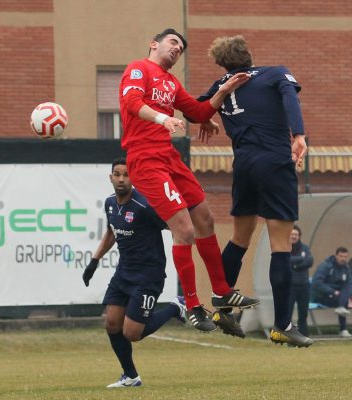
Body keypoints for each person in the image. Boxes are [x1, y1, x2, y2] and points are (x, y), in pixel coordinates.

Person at [118, 28, 259, 333]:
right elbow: (132, 103)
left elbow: (195, 110)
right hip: (145, 159)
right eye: (173, 42)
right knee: (183, 229)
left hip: (168, 156)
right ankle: (193, 306)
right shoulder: (138, 68)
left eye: (181, 48)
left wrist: (223, 93)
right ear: (153, 43)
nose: (177, 49)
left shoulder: (170, 82)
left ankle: (221, 290)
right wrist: (162, 118)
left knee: (206, 219)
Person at [191, 35, 311, 346]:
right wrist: (298, 135)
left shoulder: (222, 85)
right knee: (281, 244)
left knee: (240, 238)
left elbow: (195, 112)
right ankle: (282, 325)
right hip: (274, 161)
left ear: (222, 63)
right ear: (249, 54)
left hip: (244, 165)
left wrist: (210, 119)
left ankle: (222, 303)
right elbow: (290, 99)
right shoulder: (275, 73)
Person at [82, 158, 187, 388]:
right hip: (124, 273)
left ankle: (175, 307)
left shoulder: (145, 206)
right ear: (110, 178)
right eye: (117, 174)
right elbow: (112, 231)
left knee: (132, 332)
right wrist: (94, 261)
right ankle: (130, 376)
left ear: (133, 178)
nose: (121, 179)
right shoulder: (110, 203)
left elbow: (176, 225)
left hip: (148, 275)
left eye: (126, 175)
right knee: (111, 323)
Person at [312, 247, 352, 338]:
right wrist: (332, 291)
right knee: (343, 300)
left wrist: (347, 294)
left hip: (338, 296)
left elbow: (350, 283)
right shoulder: (326, 266)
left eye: (345, 256)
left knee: (345, 292)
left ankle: (341, 308)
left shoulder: (346, 268)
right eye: (341, 256)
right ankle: (343, 329)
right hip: (322, 296)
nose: (343, 259)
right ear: (336, 256)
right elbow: (316, 283)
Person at [288, 225, 313, 337]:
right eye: (292, 234)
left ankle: (304, 337)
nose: (294, 236)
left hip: (304, 286)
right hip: (290, 286)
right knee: (287, 314)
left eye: (296, 234)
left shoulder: (305, 248)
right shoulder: (285, 248)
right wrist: (300, 258)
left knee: (303, 314)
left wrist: (295, 266)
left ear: (299, 236)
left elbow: (310, 261)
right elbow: (286, 260)